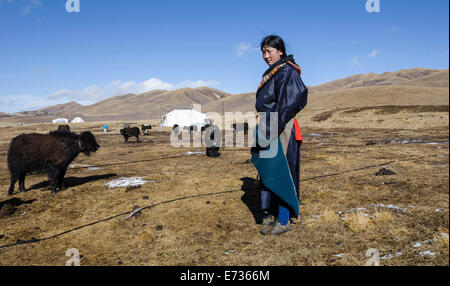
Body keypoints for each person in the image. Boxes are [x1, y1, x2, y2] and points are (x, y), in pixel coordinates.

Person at [251, 35, 308, 235]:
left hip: (280, 126)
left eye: (270, 51)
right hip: (270, 124)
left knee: (281, 170)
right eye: (263, 52)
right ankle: (271, 214)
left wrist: (271, 129)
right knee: (269, 170)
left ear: (280, 51)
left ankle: (283, 220)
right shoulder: (274, 73)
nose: (266, 56)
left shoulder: (287, 72)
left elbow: (288, 104)